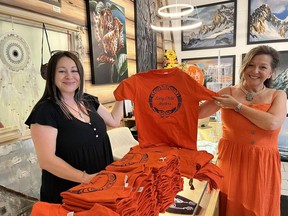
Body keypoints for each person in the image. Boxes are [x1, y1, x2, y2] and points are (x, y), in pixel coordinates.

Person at [198, 45, 287, 216]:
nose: (255, 70)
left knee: (259, 206)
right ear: (244, 67)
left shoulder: (278, 95)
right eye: (250, 65)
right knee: (230, 204)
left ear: (270, 73)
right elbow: (198, 114)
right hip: (231, 161)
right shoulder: (227, 92)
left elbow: (272, 123)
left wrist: (237, 106)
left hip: (262, 162)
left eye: (262, 67)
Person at [25, 51, 123, 204]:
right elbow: (47, 160)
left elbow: (114, 120)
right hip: (69, 192)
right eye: (62, 71)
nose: (69, 76)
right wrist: (87, 178)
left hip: (100, 186)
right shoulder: (45, 111)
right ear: (52, 76)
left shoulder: (88, 100)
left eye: (74, 70)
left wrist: (123, 95)